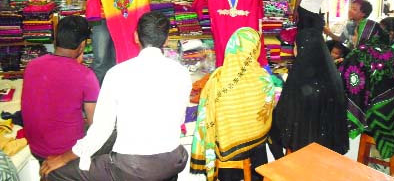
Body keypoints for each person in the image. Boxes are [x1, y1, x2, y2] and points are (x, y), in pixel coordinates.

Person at [40, 11, 191, 181]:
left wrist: (64, 158)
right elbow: (178, 120)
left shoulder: (117, 73)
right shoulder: (182, 73)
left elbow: (101, 130)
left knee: (53, 174)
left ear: (135, 36)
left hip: (132, 167)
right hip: (172, 161)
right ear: (166, 40)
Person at [190, 27, 275, 181]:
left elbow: (207, 117)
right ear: (255, 49)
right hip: (257, 147)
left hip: (228, 152)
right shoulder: (264, 77)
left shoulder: (218, 79)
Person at [21, 16, 99, 164]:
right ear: (82, 45)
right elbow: (95, 124)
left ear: (56, 39)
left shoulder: (32, 65)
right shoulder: (86, 75)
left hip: (37, 149)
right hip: (66, 154)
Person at [274, 28, 349, 154]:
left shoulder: (299, 75)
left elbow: (284, 115)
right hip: (329, 146)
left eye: (296, 46)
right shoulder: (332, 74)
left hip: (303, 147)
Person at [339, 29, 394, 160]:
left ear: (364, 35)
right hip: (392, 120)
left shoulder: (358, 55)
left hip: (369, 121)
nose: (354, 37)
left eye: (356, 33)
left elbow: (346, 87)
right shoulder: (392, 54)